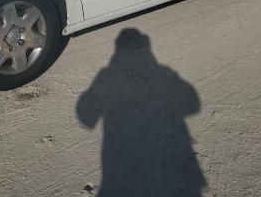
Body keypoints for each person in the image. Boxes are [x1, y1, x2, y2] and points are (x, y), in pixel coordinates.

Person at [76, 28, 206, 196]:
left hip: (123, 165)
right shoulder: (164, 73)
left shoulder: (106, 75)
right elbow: (193, 105)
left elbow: (86, 117)